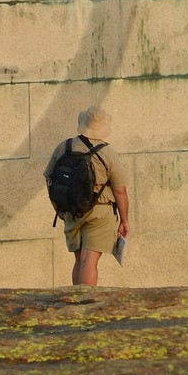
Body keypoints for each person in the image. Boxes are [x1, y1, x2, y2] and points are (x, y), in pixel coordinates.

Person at [44, 106, 130, 286]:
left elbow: (49, 178)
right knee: (89, 260)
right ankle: (85, 301)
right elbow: (120, 190)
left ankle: (76, 299)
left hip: (72, 210)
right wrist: (124, 220)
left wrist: (59, 208)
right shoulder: (108, 152)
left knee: (79, 259)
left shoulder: (65, 146)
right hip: (100, 212)